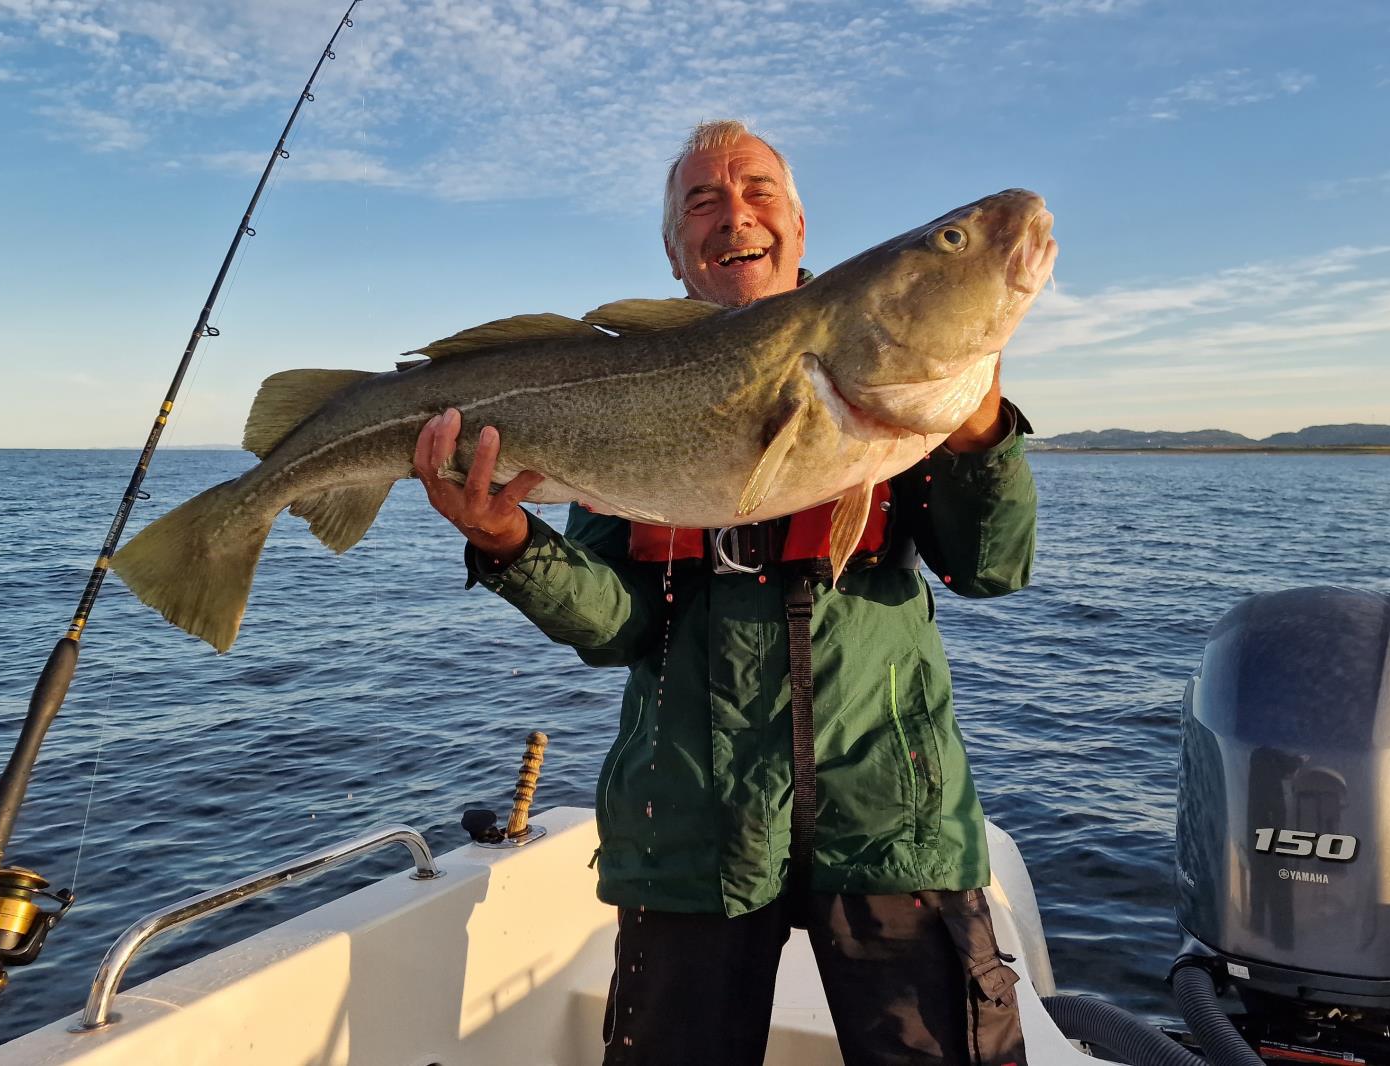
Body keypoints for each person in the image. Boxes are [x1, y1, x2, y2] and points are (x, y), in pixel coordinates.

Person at [414, 120, 1038, 1066]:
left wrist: (978, 421)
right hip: (686, 831)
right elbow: (618, 627)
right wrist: (507, 542)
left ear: (797, 222)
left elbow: (987, 566)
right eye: (701, 202)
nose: (733, 215)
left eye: (758, 192)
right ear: (675, 252)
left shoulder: (903, 391)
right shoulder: (617, 388)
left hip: (891, 822)